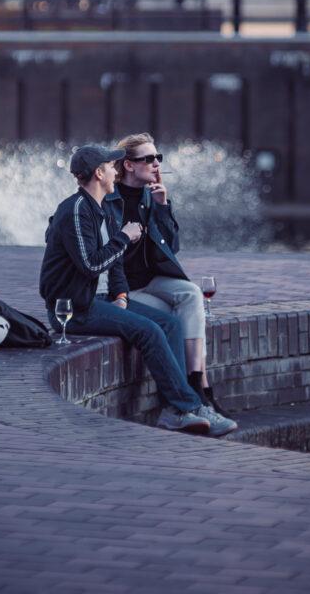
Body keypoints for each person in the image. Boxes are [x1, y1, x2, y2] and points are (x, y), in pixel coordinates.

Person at [39, 143, 237, 438]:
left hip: (100, 300)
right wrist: (123, 237)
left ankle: (172, 410)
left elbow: (114, 265)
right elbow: (90, 266)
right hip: (73, 308)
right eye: (110, 166)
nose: (114, 170)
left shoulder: (101, 208)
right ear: (99, 173)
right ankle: (187, 406)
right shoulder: (76, 210)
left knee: (170, 324)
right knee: (149, 331)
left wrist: (120, 296)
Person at [105, 132, 231, 418]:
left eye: (158, 158)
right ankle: (199, 394)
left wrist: (162, 206)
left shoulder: (151, 196)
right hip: (126, 289)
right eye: (149, 159)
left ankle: (197, 382)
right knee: (178, 320)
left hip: (152, 280)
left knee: (191, 295)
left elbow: (172, 247)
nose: (156, 164)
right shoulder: (110, 200)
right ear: (128, 165)